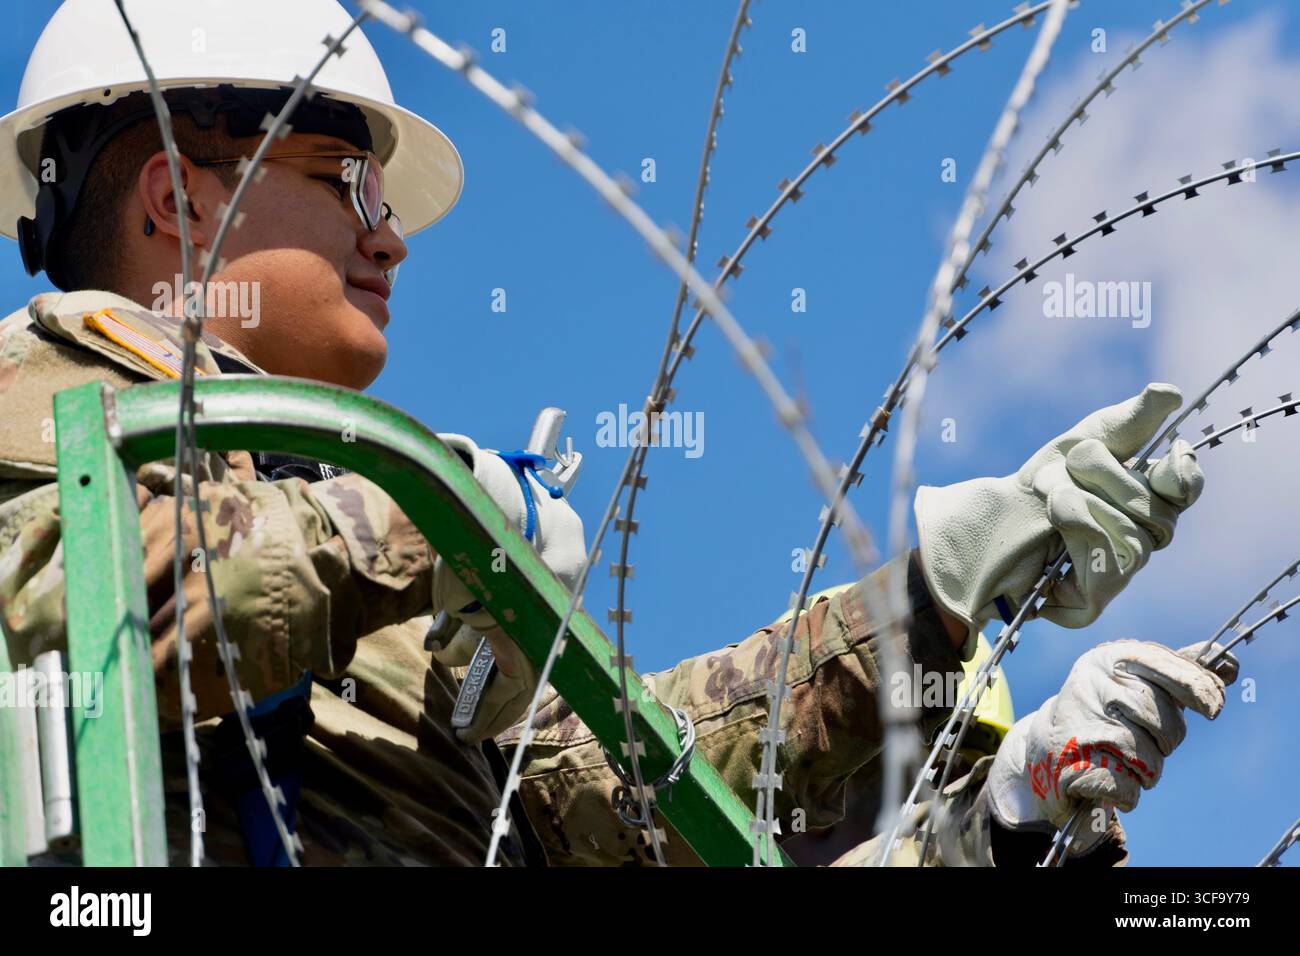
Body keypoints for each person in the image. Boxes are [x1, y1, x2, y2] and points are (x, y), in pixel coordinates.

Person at [0, 0, 1224, 867]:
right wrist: (426, 508)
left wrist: (934, 600)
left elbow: (612, 792)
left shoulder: (330, 498)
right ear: (177, 195)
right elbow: (84, 617)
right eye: (348, 182)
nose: (391, 237)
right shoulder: (36, 400)